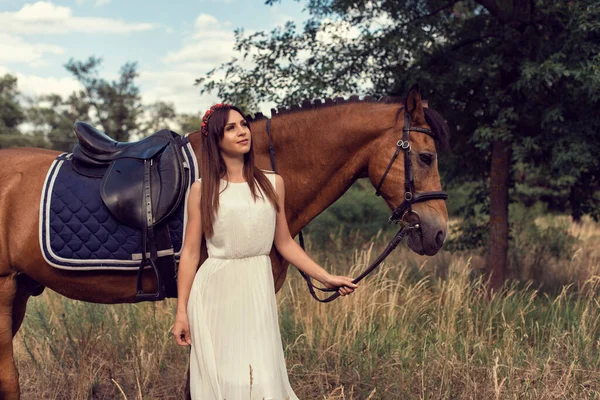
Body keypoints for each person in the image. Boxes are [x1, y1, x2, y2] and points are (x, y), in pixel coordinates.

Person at [172, 103, 358, 399]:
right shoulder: (202, 189)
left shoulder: (273, 183)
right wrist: (181, 312)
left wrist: (326, 277)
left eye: (243, 124)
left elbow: (284, 243)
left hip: (257, 288)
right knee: (224, 380)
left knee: (261, 378)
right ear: (216, 140)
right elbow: (191, 254)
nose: (242, 132)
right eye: (231, 128)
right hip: (214, 293)